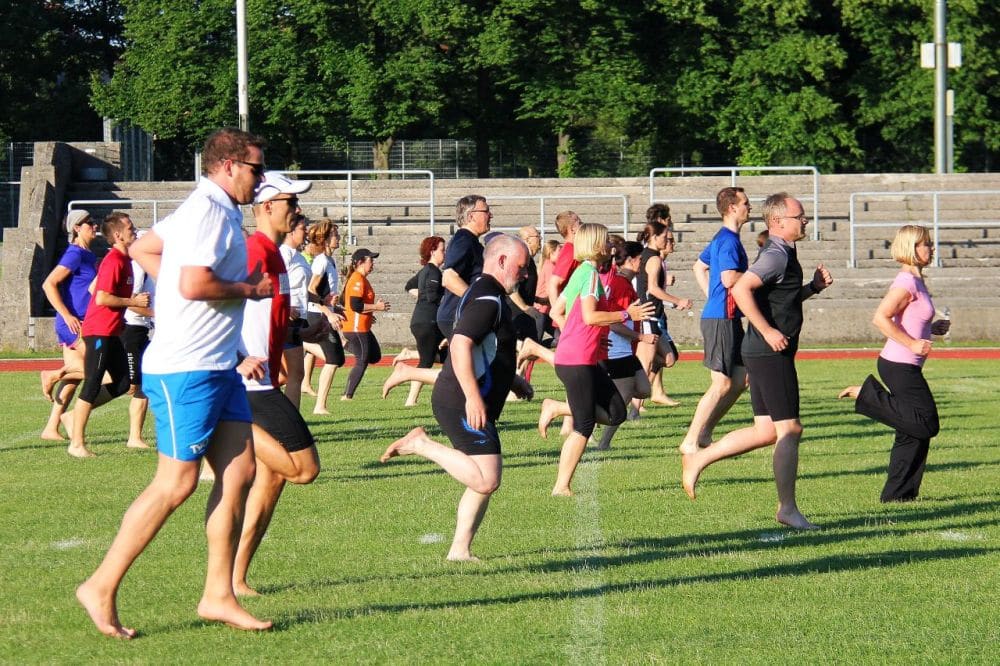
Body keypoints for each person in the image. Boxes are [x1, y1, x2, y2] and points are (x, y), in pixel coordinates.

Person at [77, 127, 274, 638]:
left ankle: (217, 594)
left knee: (238, 474)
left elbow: (146, 248)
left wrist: (194, 316)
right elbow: (192, 281)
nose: (261, 178)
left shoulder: (211, 208)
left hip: (216, 364)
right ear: (229, 165)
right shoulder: (208, 211)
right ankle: (99, 586)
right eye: (256, 168)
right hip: (185, 368)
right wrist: (249, 288)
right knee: (177, 482)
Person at [681, 193, 832, 530]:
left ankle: (701, 457)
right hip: (768, 352)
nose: (805, 221)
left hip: (763, 352)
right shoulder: (776, 254)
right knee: (790, 429)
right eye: (799, 216)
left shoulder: (784, 254)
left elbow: (779, 298)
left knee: (766, 431)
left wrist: (812, 288)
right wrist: (766, 331)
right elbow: (740, 289)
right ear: (778, 222)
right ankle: (787, 509)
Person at [380, 234, 533, 561]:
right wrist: (473, 398)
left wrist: (513, 379)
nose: (526, 274)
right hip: (462, 402)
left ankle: (459, 550)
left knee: (481, 476)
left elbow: (486, 347)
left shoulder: (483, 290)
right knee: (487, 479)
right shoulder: (487, 299)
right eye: (522, 266)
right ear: (502, 260)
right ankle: (420, 444)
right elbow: (461, 343)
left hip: (466, 397)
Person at [233, 172, 320, 596]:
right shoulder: (252, 250)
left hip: (264, 378)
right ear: (266, 206)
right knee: (304, 469)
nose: (297, 209)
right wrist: (237, 356)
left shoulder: (277, 255)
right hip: (246, 387)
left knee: (273, 480)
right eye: (290, 201)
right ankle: (229, 429)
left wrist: (274, 360)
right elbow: (208, 302)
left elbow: (268, 316)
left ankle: (236, 577)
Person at [838, 225, 950, 502]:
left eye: (931, 243)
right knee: (927, 423)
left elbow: (909, 320)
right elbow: (880, 318)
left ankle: (899, 496)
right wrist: (912, 344)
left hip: (906, 365)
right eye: (926, 244)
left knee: (912, 432)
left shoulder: (917, 280)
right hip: (899, 365)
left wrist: (931, 328)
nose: (931, 248)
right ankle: (866, 395)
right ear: (911, 248)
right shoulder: (906, 283)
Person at [543, 223, 654, 496]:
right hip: (577, 361)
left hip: (581, 357)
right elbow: (591, 316)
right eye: (606, 242)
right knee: (584, 426)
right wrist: (626, 314)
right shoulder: (590, 275)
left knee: (616, 412)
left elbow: (557, 312)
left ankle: (556, 407)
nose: (611, 247)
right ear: (596, 245)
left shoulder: (582, 273)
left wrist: (581, 332)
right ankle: (561, 486)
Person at [67, 213, 150, 458]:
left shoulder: (126, 260)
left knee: (125, 383)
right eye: (130, 228)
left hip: (113, 331)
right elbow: (101, 297)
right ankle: (76, 444)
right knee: (92, 383)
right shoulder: (114, 260)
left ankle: (74, 416)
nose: (134, 230)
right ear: (117, 235)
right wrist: (132, 301)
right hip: (99, 330)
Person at [679, 187, 752, 455]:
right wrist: (762, 278)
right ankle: (690, 440)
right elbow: (729, 279)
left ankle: (706, 432)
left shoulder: (724, 238)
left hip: (726, 316)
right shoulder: (729, 240)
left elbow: (699, 266)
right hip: (721, 317)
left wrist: (711, 296)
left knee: (741, 380)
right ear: (732, 207)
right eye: (745, 203)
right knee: (721, 383)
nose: (749, 207)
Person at [593, 241, 657, 450]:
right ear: (630, 260)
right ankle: (603, 442)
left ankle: (579, 411)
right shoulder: (620, 285)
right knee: (623, 398)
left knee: (644, 390)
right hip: (616, 351)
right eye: (640, 259)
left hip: (625, 350)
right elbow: (612, 322)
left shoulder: (625, 283)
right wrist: (640, 336)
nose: (642, 263)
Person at [40, 210, 97, 440]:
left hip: (82, 320)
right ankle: (52, 375)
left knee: (74, 379)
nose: (94, 226)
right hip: (73, 323)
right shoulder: (74, 254)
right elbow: (48, 284)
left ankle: (51, 428)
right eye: (89, 223)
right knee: (95, 370)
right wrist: (67, 315)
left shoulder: (88, 254)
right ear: (76, 228)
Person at [634, 219, 691, 409]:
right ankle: (633, 405)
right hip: (649, 315)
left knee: (668, 358)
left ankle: (639, 397)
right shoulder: (653, 258)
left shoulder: (649, 257)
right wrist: (678, 301)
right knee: (646, 363)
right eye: (665, 237)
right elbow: (653, 289)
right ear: (654, 237)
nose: (667, 241)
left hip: (654, 315)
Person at [302, 219, 345, 414]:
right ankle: (319, 406)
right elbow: (311, 290)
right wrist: (328, 313)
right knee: (334, 358)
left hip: (324, 311)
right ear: (326, 239)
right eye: (335, 235)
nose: (338, 238)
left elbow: (325, 291)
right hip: (317, 314)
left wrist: (336, 308)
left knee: (335, 358)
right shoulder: (320, 261)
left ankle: (300, 342)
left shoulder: (330, 261)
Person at [398, 236, 446, 406]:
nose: (444, 253)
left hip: (421, 320)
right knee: (427, 361)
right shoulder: (433, 272)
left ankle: (408, 356)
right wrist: (448, 295)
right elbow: (433, 296)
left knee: (442, 356)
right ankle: (410, 399)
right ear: (432, 251)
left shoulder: (425, 271)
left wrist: (421, 297)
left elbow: (409, 286)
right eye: (442, 249)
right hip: (428, 322)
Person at [436, 195, 491, 339]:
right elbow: (448, 278)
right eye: (486, 211)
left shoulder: (472, 241)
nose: (490, 215)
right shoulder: (463, 239)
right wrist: (478, 301)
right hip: (458, 315)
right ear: (471, 216)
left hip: (463, 314)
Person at [122, 228, 156, 449]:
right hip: (131, 329)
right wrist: (157, 314)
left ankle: (135, 437)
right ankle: (75, 414)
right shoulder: (137, 266)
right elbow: (131, 300)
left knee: (142, 383)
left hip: (143, 329)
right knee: (129, 384)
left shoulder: (151, 268)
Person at [341, 248, 389, 399]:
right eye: (371, 260)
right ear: (361, 262)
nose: (373, 263)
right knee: (362, 360)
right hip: (356, 327)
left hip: (363, 326)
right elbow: (355, 305)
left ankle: (344, 344)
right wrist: (376, 307)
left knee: (374, 356)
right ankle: (347, 396)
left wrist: (370, 313)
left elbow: (348, 303)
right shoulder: (357, 279)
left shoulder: (362, 279)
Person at [546, 210, 582, 332]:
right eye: (580, 222)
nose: (583, 225)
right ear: (572, 229)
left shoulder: (574, 249)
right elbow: (553, 284)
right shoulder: (569, 251)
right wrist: (559, 317)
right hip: (569, 318)